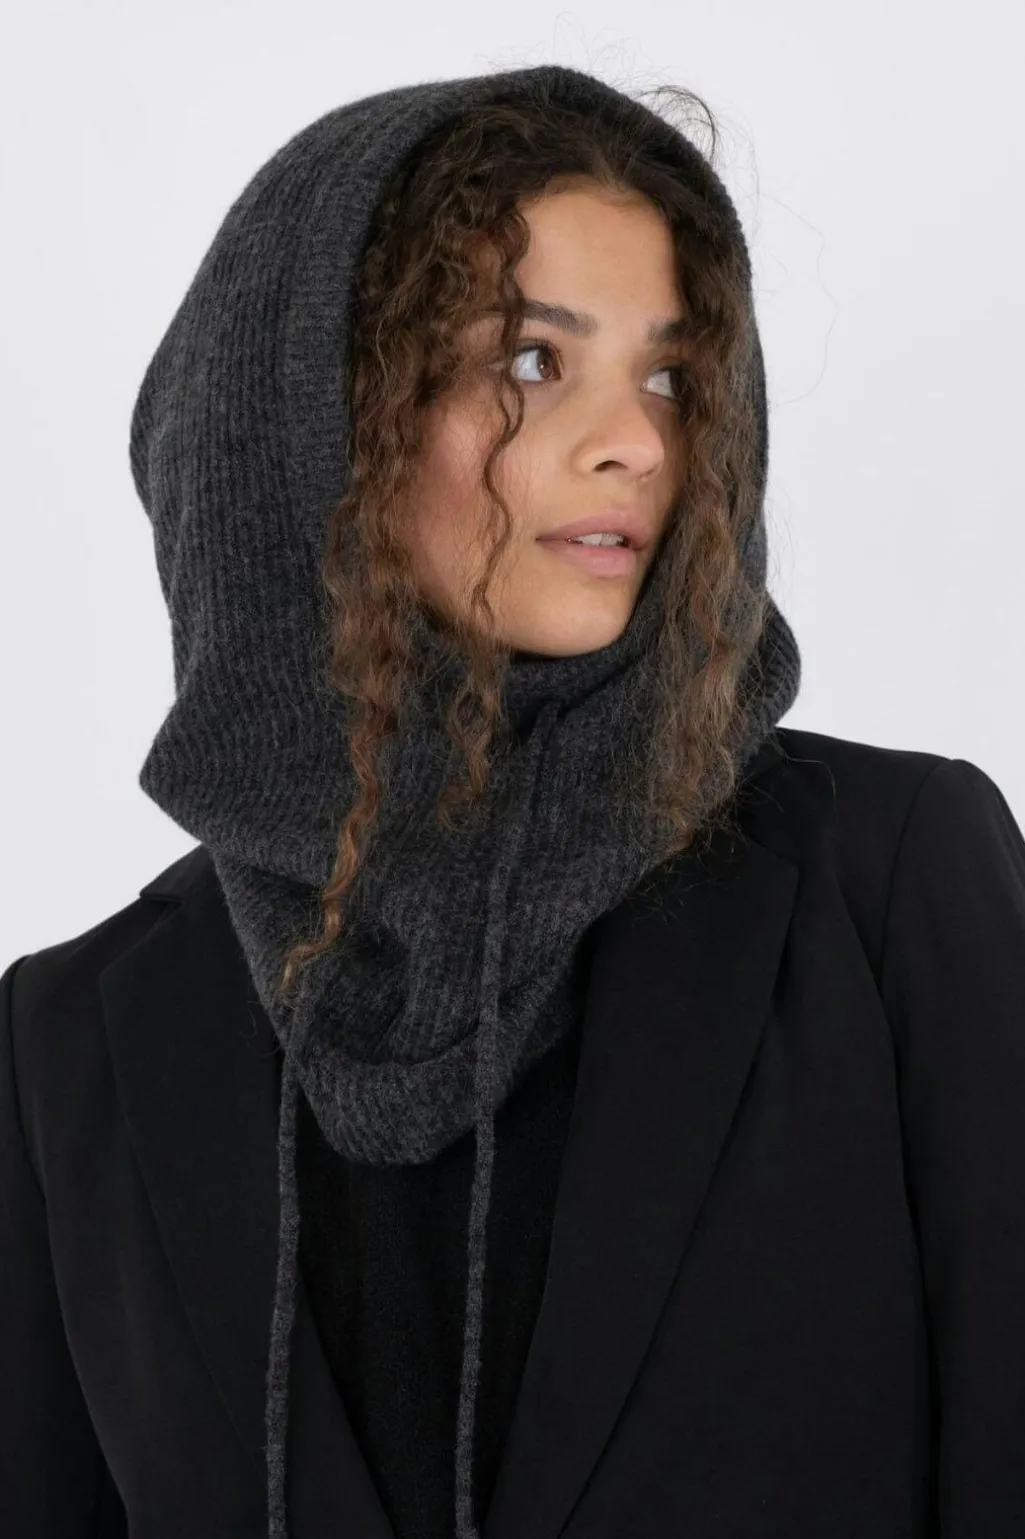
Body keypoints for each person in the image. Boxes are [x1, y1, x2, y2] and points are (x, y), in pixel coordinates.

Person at [2, 62, 1024, 1539]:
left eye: (668, 375)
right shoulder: (81, 1040)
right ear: (305, 412)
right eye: (535, 361)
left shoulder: (887, 886)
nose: (641, 442)